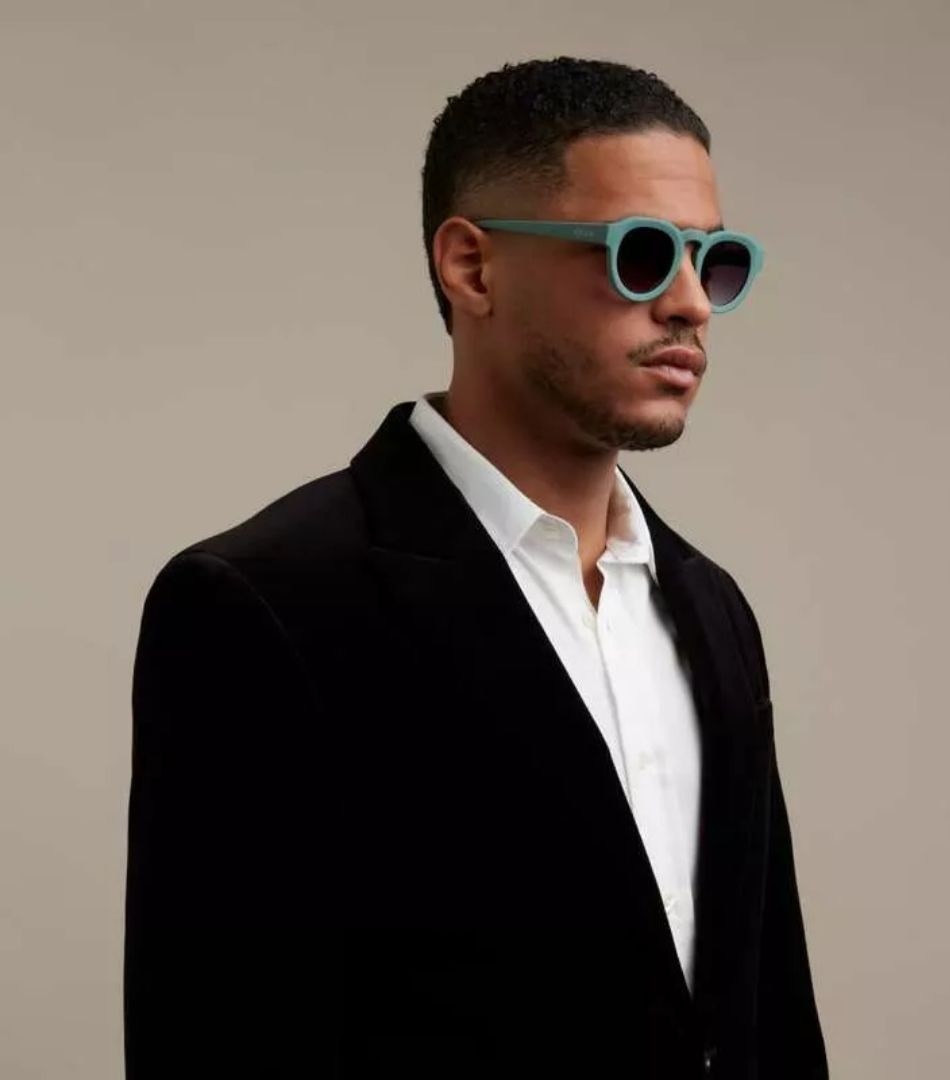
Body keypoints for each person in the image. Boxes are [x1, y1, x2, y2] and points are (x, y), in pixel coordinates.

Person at [123, 56, 828, 1079]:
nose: (690, 304)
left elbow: (767, 1011)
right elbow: (220, 1036)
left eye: (714, 261)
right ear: (472, 267)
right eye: (639, 254)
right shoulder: (268, 602)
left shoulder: (709, 607)